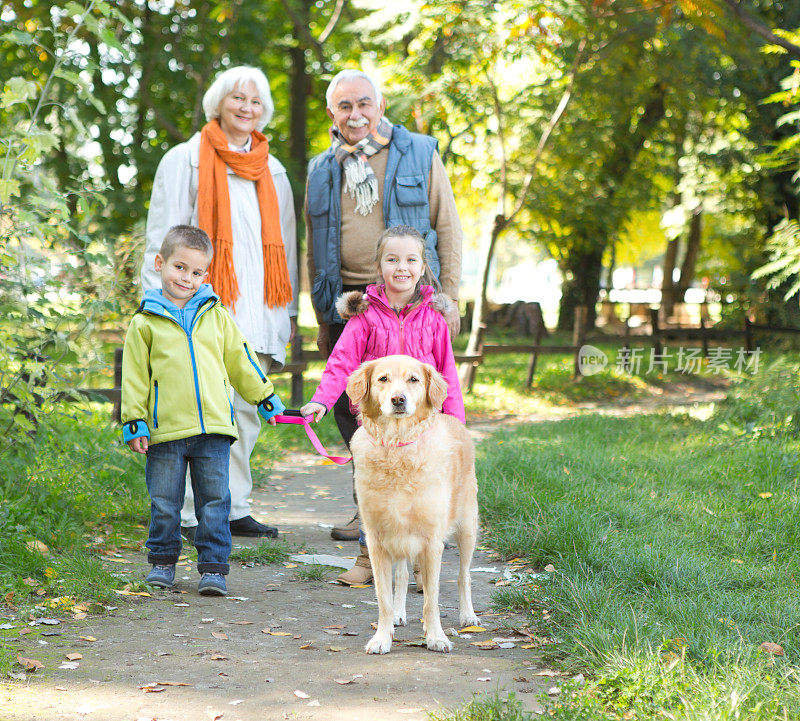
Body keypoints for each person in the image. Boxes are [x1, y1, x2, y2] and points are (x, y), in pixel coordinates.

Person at [305, 68, 463, 541]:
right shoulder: (321, 167)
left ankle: (423, 508)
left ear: (380, 105)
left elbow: (449, 225)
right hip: (352, 304)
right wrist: (319, 315)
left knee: (413, 401)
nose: (355, 115)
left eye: (364, 103)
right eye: (345, 106)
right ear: (332, 112)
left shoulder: (417, 151)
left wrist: (448, 296)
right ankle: (369, 506)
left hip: (409, 299)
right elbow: (314, 244)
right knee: (351, 407)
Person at [142, 65, 297, 539]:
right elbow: (162, 237)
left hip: (257, 307)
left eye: (255, 102)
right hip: (198, 306)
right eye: (238, 99)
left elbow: (286, 246)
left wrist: (286, 313)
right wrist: (160, 304)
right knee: (195, 409)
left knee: (245, 411)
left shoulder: (273, 171)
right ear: (218, 102)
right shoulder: (184, 159)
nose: (247, 108)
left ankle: (233, 507)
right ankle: (188, 515)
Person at [122, 226, 285, 597]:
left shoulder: (217, 316)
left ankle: (213, 568)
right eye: (180, 268)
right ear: (160, 263)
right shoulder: (144, 323)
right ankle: (162, 561)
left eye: (196, 273)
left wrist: (264, 396)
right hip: (165, 432)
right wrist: (135, 420)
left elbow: (241, 360)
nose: (187, 278)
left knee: (216, 502)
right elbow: (134, 378)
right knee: (165, 502)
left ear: (205, 275)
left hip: (214, 429)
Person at [301, 225, 465, 585]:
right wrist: (320, 401)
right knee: (373, 488)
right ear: (379, 266)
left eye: (410, 259)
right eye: (392, 259)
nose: (401, 267)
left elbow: (447, 373)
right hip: (377, 426)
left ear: (423, 267)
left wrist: (455, 425)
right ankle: (367, 559)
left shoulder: (433, 319)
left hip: (423, 426)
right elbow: (341, 363)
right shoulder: (365, 316)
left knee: (422, 490)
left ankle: (423, 563)